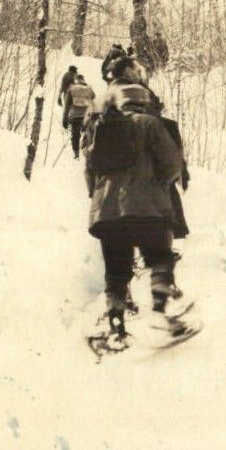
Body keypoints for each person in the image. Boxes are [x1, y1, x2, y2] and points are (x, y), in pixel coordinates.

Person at [82, 56, 184, 338]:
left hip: (107, 214)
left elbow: (89, 170)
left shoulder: (101, 125)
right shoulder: (149, 123)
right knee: (160, 258)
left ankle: (116, 325)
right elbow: (172, 163)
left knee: (116, 272)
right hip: (149, 209)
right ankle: (160, 313)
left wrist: (99, 198)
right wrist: (161, 185)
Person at [63, 74, 95, 159]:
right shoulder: (89, 89)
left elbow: (66, 105)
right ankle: (87, 152)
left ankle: (76, 155)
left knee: (75, 136)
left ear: (75, 80)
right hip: (86, 116)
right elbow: (93, 101)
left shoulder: (71, 89)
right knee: (88, 134)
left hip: (74, 116)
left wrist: (65, 119)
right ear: (83, 80)